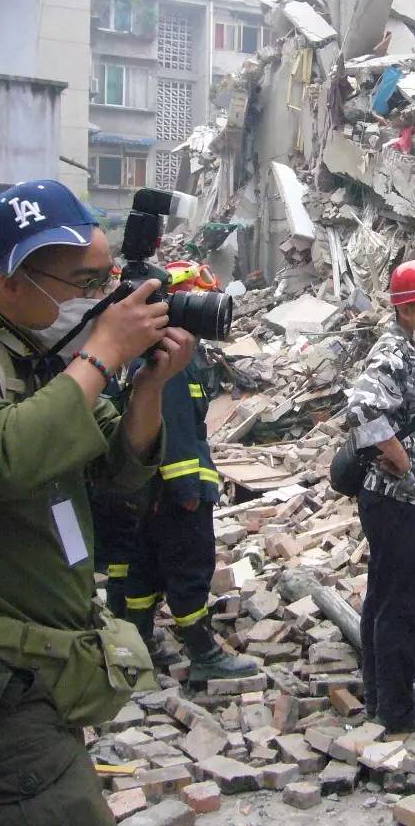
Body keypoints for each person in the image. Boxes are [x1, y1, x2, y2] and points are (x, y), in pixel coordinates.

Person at [0, 179, 194, 825]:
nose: (98, 299)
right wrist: (104, 351)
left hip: (33, 668)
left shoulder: (39, 361)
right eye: (83, 282)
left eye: (105, 280)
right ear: (12, 278)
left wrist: (149, 387)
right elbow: (7, 457)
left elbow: (120, 474)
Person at [122, 261, 258, 684]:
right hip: (175, 488)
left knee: (145, 565)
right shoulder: (172, 360)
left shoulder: (164, 352)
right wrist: (186, 488)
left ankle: (138, 642)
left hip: (147, 489)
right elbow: (176, 429)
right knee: (189, 565)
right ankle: (201, 651)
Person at [346, 259, 415, 733]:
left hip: (400, 501)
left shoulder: (409, 350)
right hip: (398, 501)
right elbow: (362, 407)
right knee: (406, 602)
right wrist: (404, 463)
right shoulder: (392, 353)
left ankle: (384, 691)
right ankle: (396, 708)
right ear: (406, 311)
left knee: (384, 595)